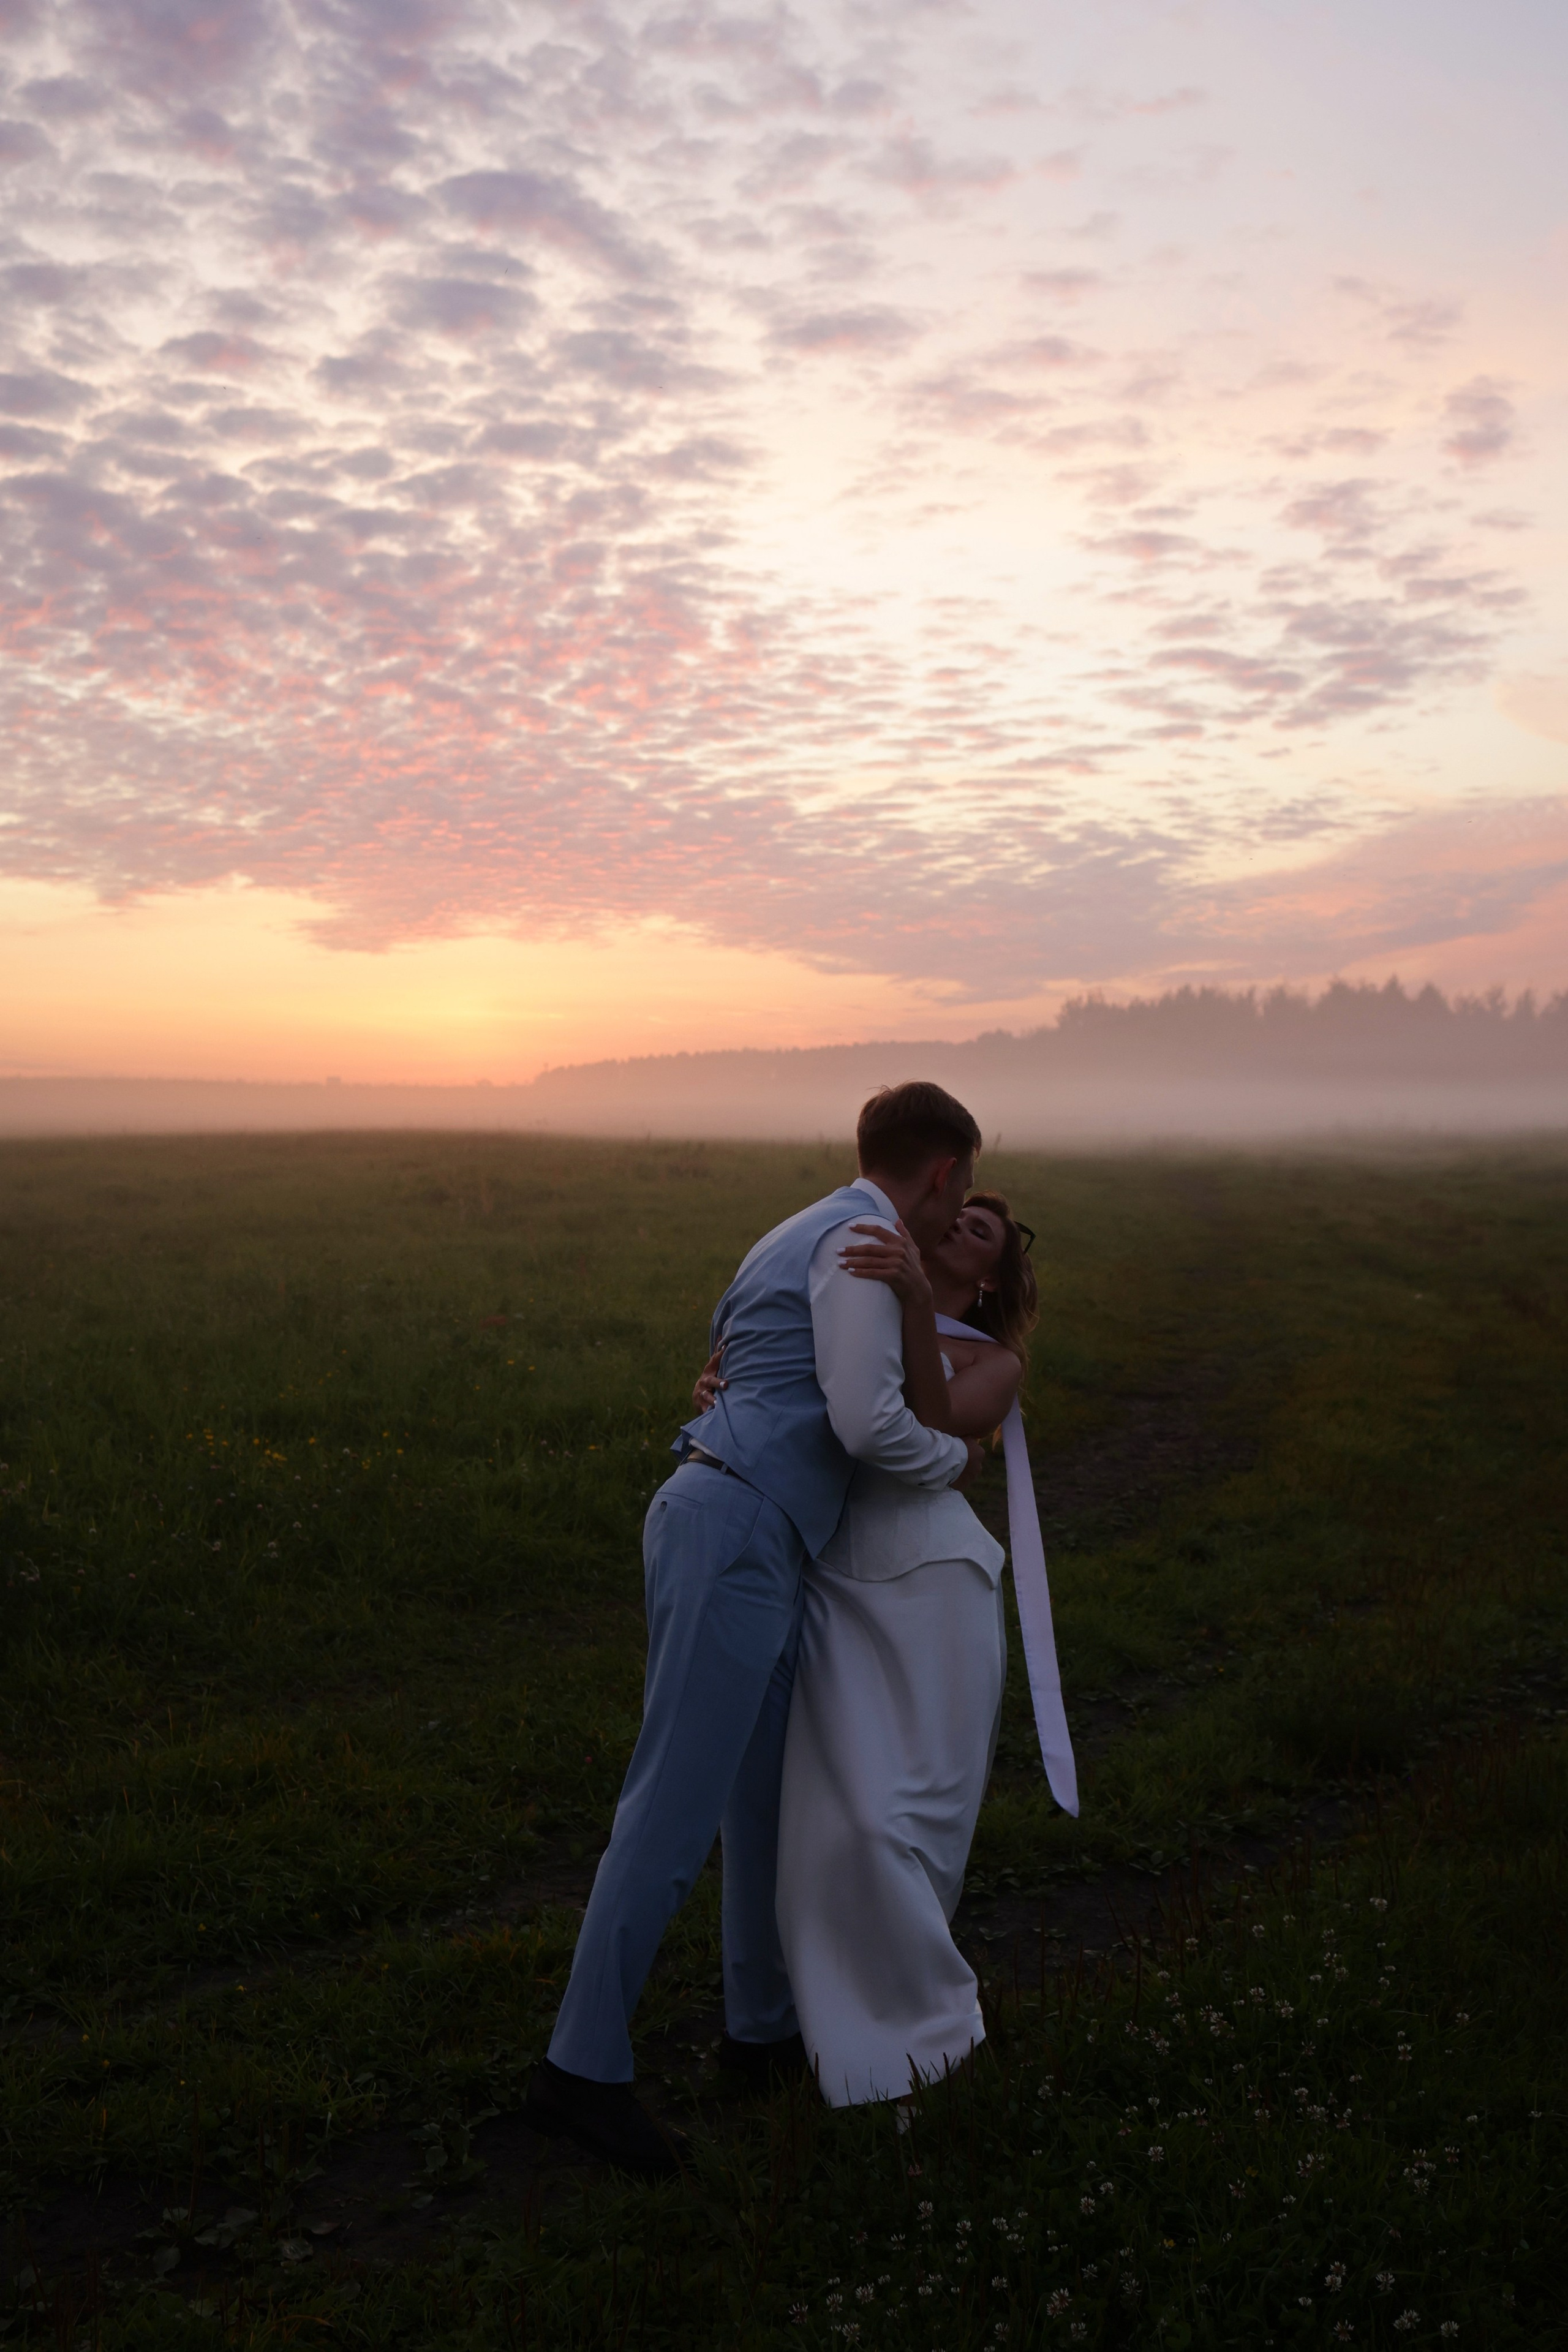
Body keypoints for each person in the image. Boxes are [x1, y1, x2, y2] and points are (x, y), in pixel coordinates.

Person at [524, 1082, 987, 2176]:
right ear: (941, 1175)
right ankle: (580, 2071)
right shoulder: (865, 1238)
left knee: (762, 1801)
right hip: (733, 1526)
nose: (951, 1212)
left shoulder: (801, 1227)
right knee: (671, 1805)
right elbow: (867, 1420)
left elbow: (740, 1358)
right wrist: (957, 1461)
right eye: (959, 1190)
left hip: (750, 1526)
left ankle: (761, 2034)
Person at [770, 1191, 1038, 2107]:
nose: (960, 1226)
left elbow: (934, 1424)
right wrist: (721, 1385)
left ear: (990, 1274)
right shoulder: (868, 1299)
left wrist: (922, 1305)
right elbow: (803, 1390)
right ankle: (829, 2013)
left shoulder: (997, 1361)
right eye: (956, 1212)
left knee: (908, 1813)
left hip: (933, 1583)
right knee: (835, 1807)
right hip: (837, 1577)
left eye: (980, 1232)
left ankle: (919, 2014)